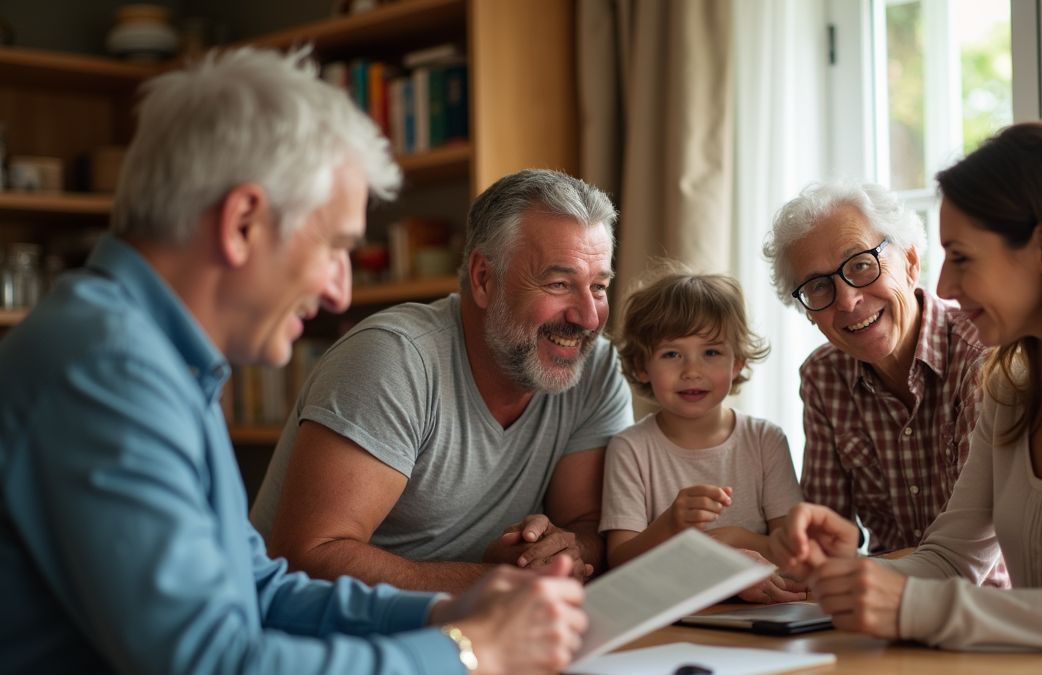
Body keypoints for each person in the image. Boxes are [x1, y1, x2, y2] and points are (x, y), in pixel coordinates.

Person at [0, 48, 586, 674]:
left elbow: (258, 592)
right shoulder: (106, 371)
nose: (340, 291)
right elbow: (214, 665)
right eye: (334, 247)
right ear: (243, 222)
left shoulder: (154, 357)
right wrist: (471, 653)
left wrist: (443, 614)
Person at [769, 121, 1042, 651]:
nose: (944, 284)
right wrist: (847, 577)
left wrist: (916, 606)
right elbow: (951, 559)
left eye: (962, 256)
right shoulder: (1012, 385)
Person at [250, 168, 633, 593]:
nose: (588, 316)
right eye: (559, 283)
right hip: (325, 641)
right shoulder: (393, 358)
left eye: (598, 287)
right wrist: (499, 583)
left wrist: (563, 552)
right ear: (484, 279)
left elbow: (587, 524)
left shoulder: (594, 366)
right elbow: (306, 557)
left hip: (480, 631)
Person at [762, 180, 993, 558]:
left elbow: (974, 557)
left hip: (980, 609)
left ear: (911, 262)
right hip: (875, 606)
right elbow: (825, 540)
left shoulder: (982, 357)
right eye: (819, 287)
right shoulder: (823, 377)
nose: (848, 300)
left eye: (861, 265)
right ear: (807, 312)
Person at [600, 268, 805, 602]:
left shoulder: (766, 440)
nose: (691, 371)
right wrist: (671, 524)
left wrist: (728, 540)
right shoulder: (630, 448)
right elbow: (619, 563)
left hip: (762, 612)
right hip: (672, 615)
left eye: (711, 352)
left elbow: (794, 552)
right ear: (641, 366)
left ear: (736, 362)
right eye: (672, 354)